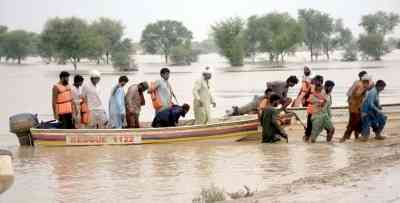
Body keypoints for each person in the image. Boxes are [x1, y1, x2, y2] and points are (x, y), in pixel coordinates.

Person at [340, 75, 371, 142]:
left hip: (356, 107)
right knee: (353, 122)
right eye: (368, 82)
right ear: (365, 81)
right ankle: (345, 137)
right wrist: (365, 90)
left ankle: (355, 137)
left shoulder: (360, 84)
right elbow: (357, 94)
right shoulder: (361, 86)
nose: (368, 84)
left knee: (357, 122)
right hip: (354, 108)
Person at [304, 75, 324, 142]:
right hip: (311, 109)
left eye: (316, 80)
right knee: (309, 126)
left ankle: (311, 139)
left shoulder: (323, 89)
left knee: (316, 126)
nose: (315, 81)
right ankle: (307, 138)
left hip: (319, 110)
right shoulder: (311, 87)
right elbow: (306, 96)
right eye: (315, 80)